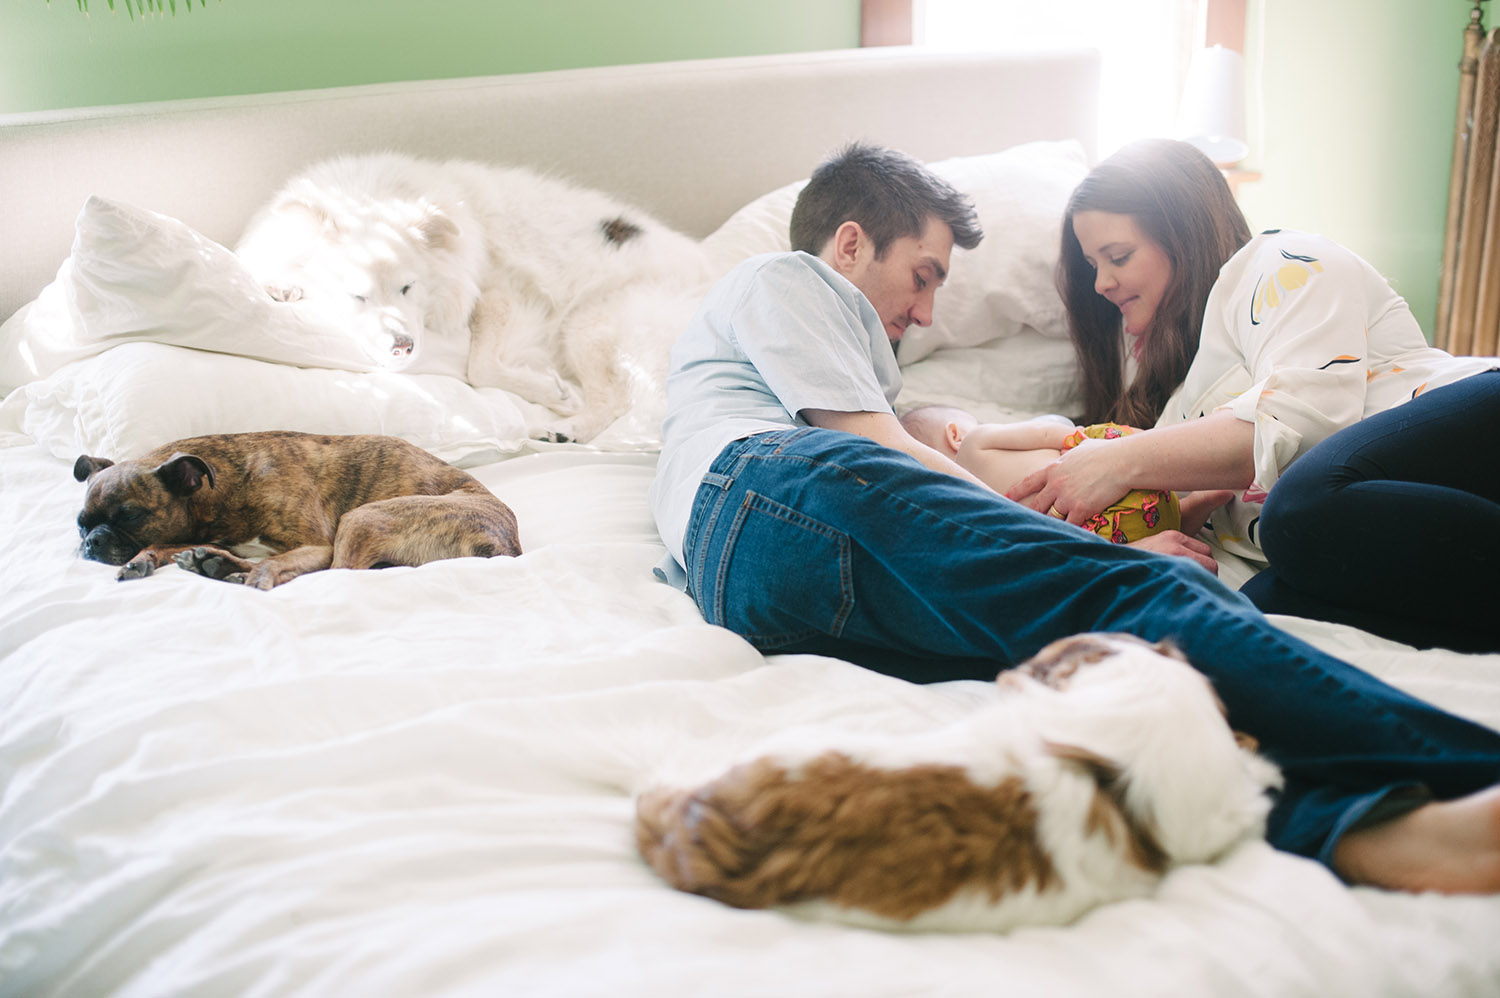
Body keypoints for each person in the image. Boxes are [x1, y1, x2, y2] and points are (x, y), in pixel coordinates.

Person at [649, 140, 1500, 894]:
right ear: (849, 244)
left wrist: (1022, 456)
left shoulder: (1264, 290)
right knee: (1141, 604)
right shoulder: (786, 279)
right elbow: (867, 448)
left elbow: (915, 450)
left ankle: (1365, 832)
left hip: (753, 585)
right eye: (924, 273)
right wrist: (1081, 545)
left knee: (1099, 693)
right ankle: (1469, 773)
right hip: (777, 496)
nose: (926, 313)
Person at [1008, 137, 1500, 652]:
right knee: (1264, 610)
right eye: (1092, 266)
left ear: (1182, 233)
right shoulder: (1178, 412)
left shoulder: (1275, 261)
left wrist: (1117, 461)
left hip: (1472, 424)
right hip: (1382, 520)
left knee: (1297, 512)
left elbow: (1304, 424)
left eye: (1118, 256)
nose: (1101, 284)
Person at [899, 403, 1235, 543]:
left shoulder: (962, 508)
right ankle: (1193, 500)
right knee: (1153, 489)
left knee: (1152, 527)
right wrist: (1086, 438)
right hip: (1110, 478)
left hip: (1098, 530)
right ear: (954, 433)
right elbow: (1047, 433)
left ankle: (1189, 514)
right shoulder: (975, 440)